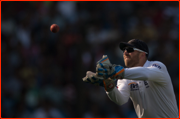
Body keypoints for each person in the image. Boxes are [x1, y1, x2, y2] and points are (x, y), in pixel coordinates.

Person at [82, 39, 179, 118]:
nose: (125, 52)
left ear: (142, 54)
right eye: (124, 50)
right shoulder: (124, 77)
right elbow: (120, 99)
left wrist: (117, 71)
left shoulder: (158, 66)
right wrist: (108, 85)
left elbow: (146, 74)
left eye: (130, 50)